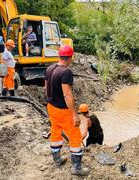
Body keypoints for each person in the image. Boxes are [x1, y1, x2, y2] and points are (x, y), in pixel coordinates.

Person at [45, 45, 89, 176]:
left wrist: (50, 102)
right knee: (75, 137)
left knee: (55, 132)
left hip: (51, 107)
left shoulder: (49, 69)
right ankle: (76, 168)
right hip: (63, 111)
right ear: (70, 57)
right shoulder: (66, 72)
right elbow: (67, 94)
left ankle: (57, 159)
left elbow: (46, 88)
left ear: (59, 55)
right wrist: (75, 114)